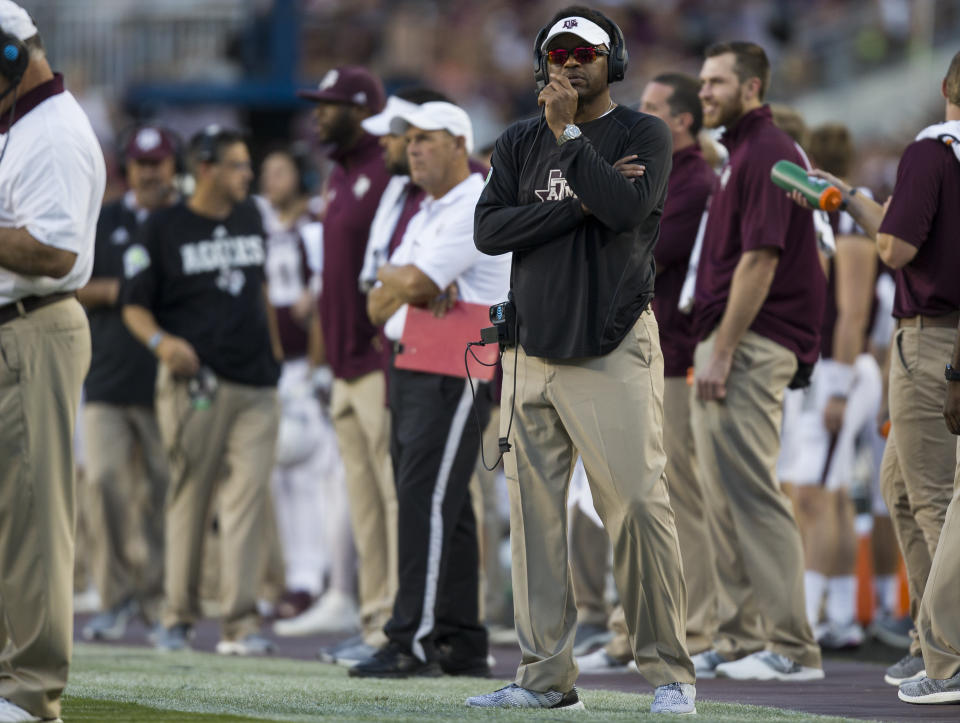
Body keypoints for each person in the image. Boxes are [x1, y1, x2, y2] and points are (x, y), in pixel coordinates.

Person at [468, 7, 696, 714]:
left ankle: (670, 673)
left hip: (611, 344)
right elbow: (487, 230)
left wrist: (569, 137)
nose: (568, 64)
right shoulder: (514, 140)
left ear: (613, 61)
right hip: (530, 350)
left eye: (585, 54)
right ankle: (544, 679)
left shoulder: (643, 132)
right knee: (534, 523)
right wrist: (577, 206)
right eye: (557, 53)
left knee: (635, 507)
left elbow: (627, 210)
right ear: (541, 62)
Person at [798, 51, 960, 699]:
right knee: (897, 488)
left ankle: (945, 652)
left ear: (947, 86)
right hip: (935, 333)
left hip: (934, 336)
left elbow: (896, 249)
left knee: (932, 498)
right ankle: (929, 636)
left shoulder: (932, 149)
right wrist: (861, 204)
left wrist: (875, 218)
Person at [350, 100, 511, 678]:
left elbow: (412, 280)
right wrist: (403, 282)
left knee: (425, 500)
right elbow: (374, 298)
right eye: (409, 138)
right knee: (447, 506)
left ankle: (410, 640)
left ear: (458, 144)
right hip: (417, 357)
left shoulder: (474, 200)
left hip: (456, 364)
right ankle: (460, 640)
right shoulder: (425, 210)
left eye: (425, 137)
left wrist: (405, 279)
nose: (412, 147)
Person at [573, 71, 720, 674]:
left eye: (654, 107)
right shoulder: (658, 168)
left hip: (674, 352)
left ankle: (699, 628)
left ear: (679, 121)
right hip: (630, 344)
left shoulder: (694, 179)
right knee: (622, 496)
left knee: (673, 497)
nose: (639, 114)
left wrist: (595, 210)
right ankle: (625, 626)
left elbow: (640, 244)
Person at [688, 41, 824, 681]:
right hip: (735, 338)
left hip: (751, 339)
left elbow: (761, 259)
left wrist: (723, 348)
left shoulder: (767, 150)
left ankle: (793, 648)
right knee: (722, 498)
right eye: (703, 81)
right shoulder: (742, 150)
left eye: (716, 82)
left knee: (752, 495)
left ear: (753, 87)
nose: (705, 91)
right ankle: (741, 637)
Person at [122, 126, 281, 656]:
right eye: (238, 165)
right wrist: (161, 343)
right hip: (198, 383)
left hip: (257, 380)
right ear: (206, 168)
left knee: (247, 499)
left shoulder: (251, 213)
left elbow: (259, 288)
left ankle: (239, 622)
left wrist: (277, 353)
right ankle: (178, 616)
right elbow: (133, 303)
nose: (248, 174)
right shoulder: (163, 227)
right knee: (191, 496)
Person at [0, 3, 106, 720]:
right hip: (15, 328)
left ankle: (31, 694)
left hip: (34, 327)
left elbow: (54, 253)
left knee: (35, 515)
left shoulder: (55, 134)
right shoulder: (23, 126)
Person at [297, 67, 397, 659]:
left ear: (359, 109)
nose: (317, 115)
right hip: (343, 364)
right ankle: (373, 621)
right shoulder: (339, 173)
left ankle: (396, 624)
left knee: (389, 499)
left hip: (377, 361)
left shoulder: (386, 170)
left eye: (327, 105)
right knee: (362, 502)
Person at [778, 122, 882, 650]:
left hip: (841, 369)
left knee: (814, 496)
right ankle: (840, 614)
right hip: (835, 367)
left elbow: (852, 312)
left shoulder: (846, 221)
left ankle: (809, 621)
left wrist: (837, 387)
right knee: (833, 496)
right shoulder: (826, 218)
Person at [78, 125, 179, 642]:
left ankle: (159, 600)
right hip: (108, 372)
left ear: (172, 165)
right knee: (103, 484)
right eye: (141, 163)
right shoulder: (106, 217)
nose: (149, 172)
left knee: (164, 491)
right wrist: (129, 292)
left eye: (158, 162)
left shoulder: (184, 221)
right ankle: (115, 597)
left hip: (165, 377)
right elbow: (73, 283)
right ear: (127, 167)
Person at [253, 147, 357, 633]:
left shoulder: (314, 225)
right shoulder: (259, 222)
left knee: (314, 475)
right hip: (274, 367)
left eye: (279, 169)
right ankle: (299, 576)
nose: (269, 179)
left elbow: (328, 292)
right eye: (266, 172)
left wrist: (317, 364)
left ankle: (315, 579)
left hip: (306, 367)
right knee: (282, 477)